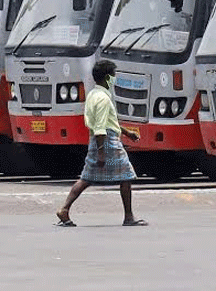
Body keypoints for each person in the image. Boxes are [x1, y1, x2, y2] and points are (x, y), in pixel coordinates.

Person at [56, 59, 148, 227]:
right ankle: (129, 217)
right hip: (107, 142)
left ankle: (64, 209)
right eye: (113, 75)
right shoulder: (103, 99)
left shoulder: (93, 95)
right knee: (126, 175)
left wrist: (127, 132)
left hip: (97, 140)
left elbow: (108, 121)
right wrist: (101, 152)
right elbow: (100, 127)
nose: (114, 78)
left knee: (86, 178)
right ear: (107, 78)